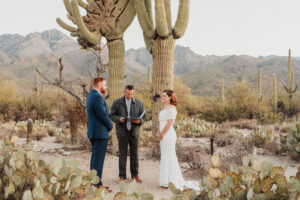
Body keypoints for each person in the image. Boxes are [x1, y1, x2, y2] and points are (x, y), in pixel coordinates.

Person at [157, 90, 199, 191]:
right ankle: (165, 181)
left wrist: (162, 133)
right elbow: (161, 122)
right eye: (162, 96)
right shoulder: (164, 108)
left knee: (169, 156)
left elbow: (169, 123)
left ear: (170, 97)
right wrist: (158, 132)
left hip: (168, 135)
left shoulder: (172, 109)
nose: (162, 98)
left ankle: (171, 181)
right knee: (165, 156)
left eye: (164, 96)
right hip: (162, 134)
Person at [110, 85, 146, 183]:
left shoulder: (139, 103)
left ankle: (135, 175)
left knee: (135, 154)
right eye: (128, 94)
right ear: (124, 92)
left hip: (135, 132)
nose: (130, 96)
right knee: (122, 154)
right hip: (122, 132)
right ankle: (122, 176)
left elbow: (144, 118)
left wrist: (140, 121)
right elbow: (112, 115)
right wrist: (119, 119)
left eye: (131, 94)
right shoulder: (117, 103)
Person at [86, 77, 113, 188]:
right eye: (104, 85)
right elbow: (102, 114)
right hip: (100, 132)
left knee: (95, 157)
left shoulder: (91, 95)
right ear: (99, 84)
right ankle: (97, 185)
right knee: (98, 159)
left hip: (94, 131)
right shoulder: (97, 97)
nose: (105, 87)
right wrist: (110, 126)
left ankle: (93, 181)